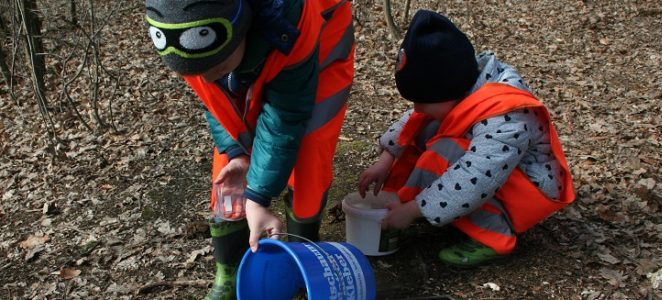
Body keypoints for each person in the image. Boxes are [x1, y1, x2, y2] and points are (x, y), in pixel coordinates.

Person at [144, 0, 354, 298]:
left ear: (245, 29)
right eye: (198, 73)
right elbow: (218, 106)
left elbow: (286, 115)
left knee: (310, 147)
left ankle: (302, 257)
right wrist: (238, 152)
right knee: (228, 164)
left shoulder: (291, 21)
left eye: (218, 67)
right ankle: (229, 268)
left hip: (318, 45)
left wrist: (258, 197)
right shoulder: (182, 34)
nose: (204, 80)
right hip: (238, 44)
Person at [358, 10, 575, 268]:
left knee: (443, 153)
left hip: (526, 190)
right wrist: (386, 159)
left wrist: (413, 211)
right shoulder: (462, 83)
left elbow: (477, 176)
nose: (416, 109)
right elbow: (413, 121)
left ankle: (494, 236)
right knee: (427, 129)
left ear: (447, 92)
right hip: (498, 172)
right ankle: (437, 204)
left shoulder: (506, 119)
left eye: (421, 102)